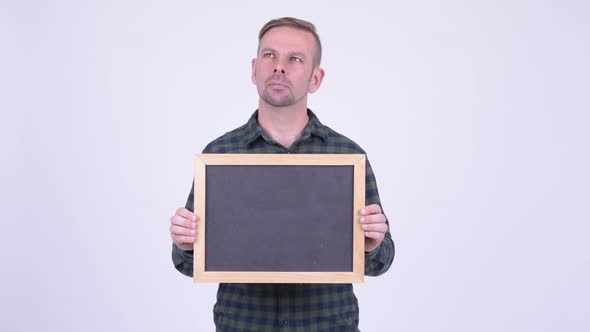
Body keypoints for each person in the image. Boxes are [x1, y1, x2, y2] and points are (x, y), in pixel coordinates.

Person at [169, 17, 394, 331]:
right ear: (254, 69)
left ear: (315, 79)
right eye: (269, 56)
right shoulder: (220, 155)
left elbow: (382, 259)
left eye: (295, 59)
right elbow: (186, 262)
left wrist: (372, 243)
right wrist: (186, 241)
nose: (279, 67)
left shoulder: (347, 156)